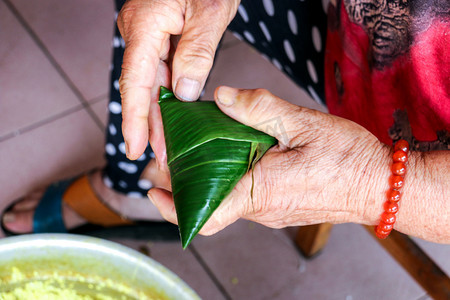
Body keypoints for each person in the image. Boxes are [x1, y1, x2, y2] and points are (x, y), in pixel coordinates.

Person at [2, 0, 449, 244]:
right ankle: (130, 186)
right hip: (348, 29)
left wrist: (368, 184)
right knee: (157, 15)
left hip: (424, 142)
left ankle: (131, 185)